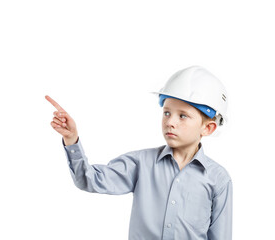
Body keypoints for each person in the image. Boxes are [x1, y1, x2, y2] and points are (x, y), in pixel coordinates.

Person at [45, 66, 232, 240]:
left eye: (182, 115)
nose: (170, 122)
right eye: (167, 113)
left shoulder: (218, 179)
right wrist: (72, 140)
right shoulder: (141, 163)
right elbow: (89, 179)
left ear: (208, 128)